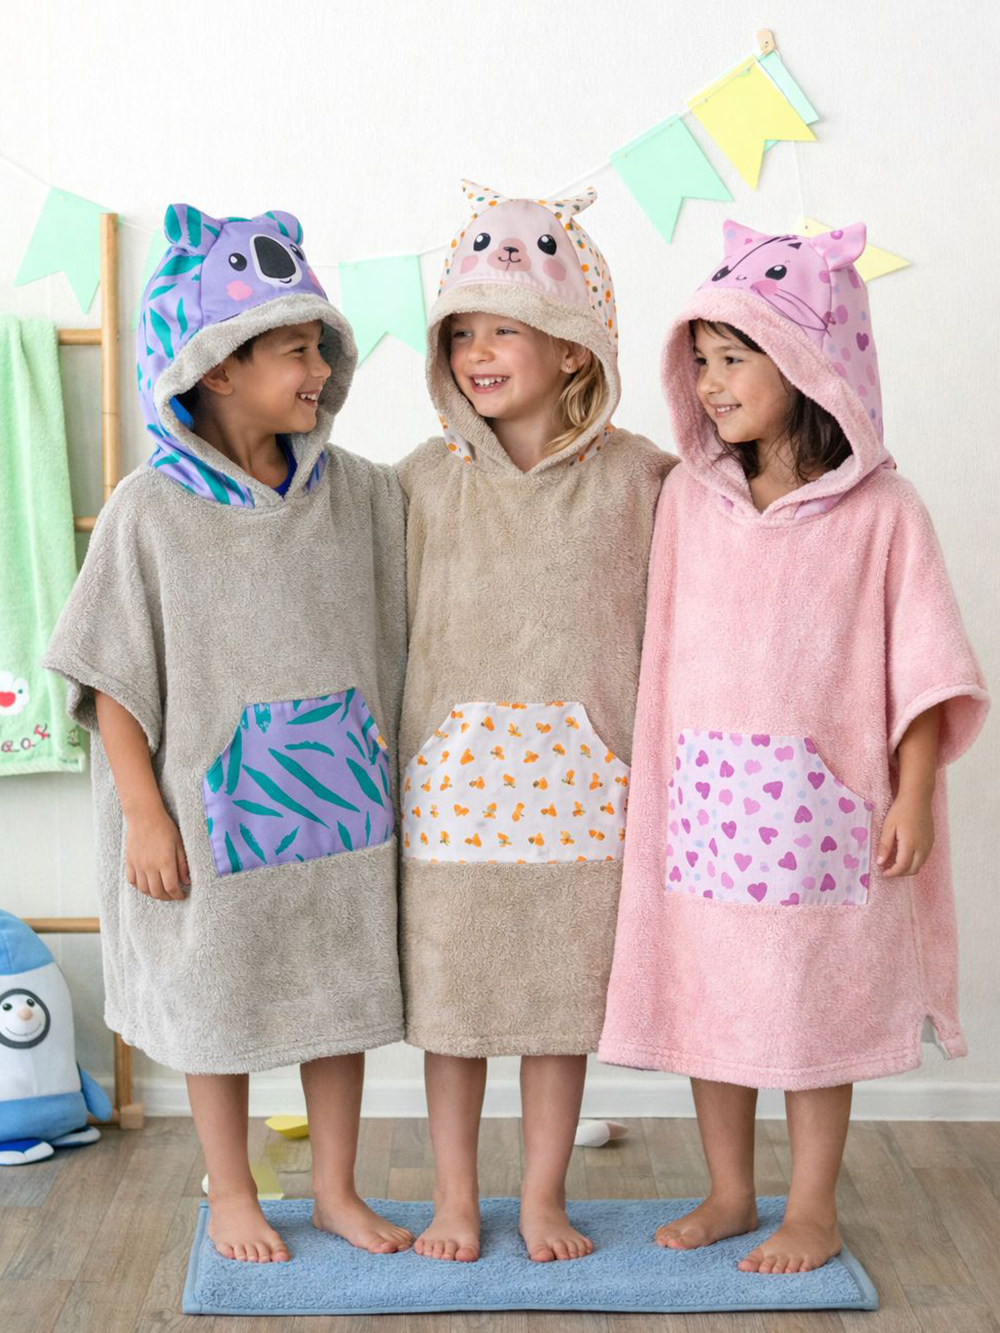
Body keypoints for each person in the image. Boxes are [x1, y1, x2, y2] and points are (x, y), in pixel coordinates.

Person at [598, 220, 989, 1274]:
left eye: (736, 358)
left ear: (808, 365)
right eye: (702, 361)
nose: (711, 383)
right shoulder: (688, 500)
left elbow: (923, 665)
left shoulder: (884, 512)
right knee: (711, 994)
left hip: (828, 810)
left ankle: (811, 1205)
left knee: (819, 1006)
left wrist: (913, 793)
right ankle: (730, 1190)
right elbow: (657, 650)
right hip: (705, 803)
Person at [44, 204, 410, 1263]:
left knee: (337, 992)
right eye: (295, 350)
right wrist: (144, 814)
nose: (320, 370)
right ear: (215, 367)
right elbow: (110, 672)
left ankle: (335, 1189)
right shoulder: (149, 510)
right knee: (216, 996)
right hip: (206, 804)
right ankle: (235, 1189)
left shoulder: (356, 495)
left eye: (321, 348)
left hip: (342, 789)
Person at [396, 180, 673, 1263]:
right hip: (452, 794)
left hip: (587, 791)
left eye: (504, 329)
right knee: (455, 1011)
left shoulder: (642, 481)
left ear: (570, 347)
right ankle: (456, 1198)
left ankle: (545, 1196)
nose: (478, 351)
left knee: (561, 1010)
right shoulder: (420, 485)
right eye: (461, 332)